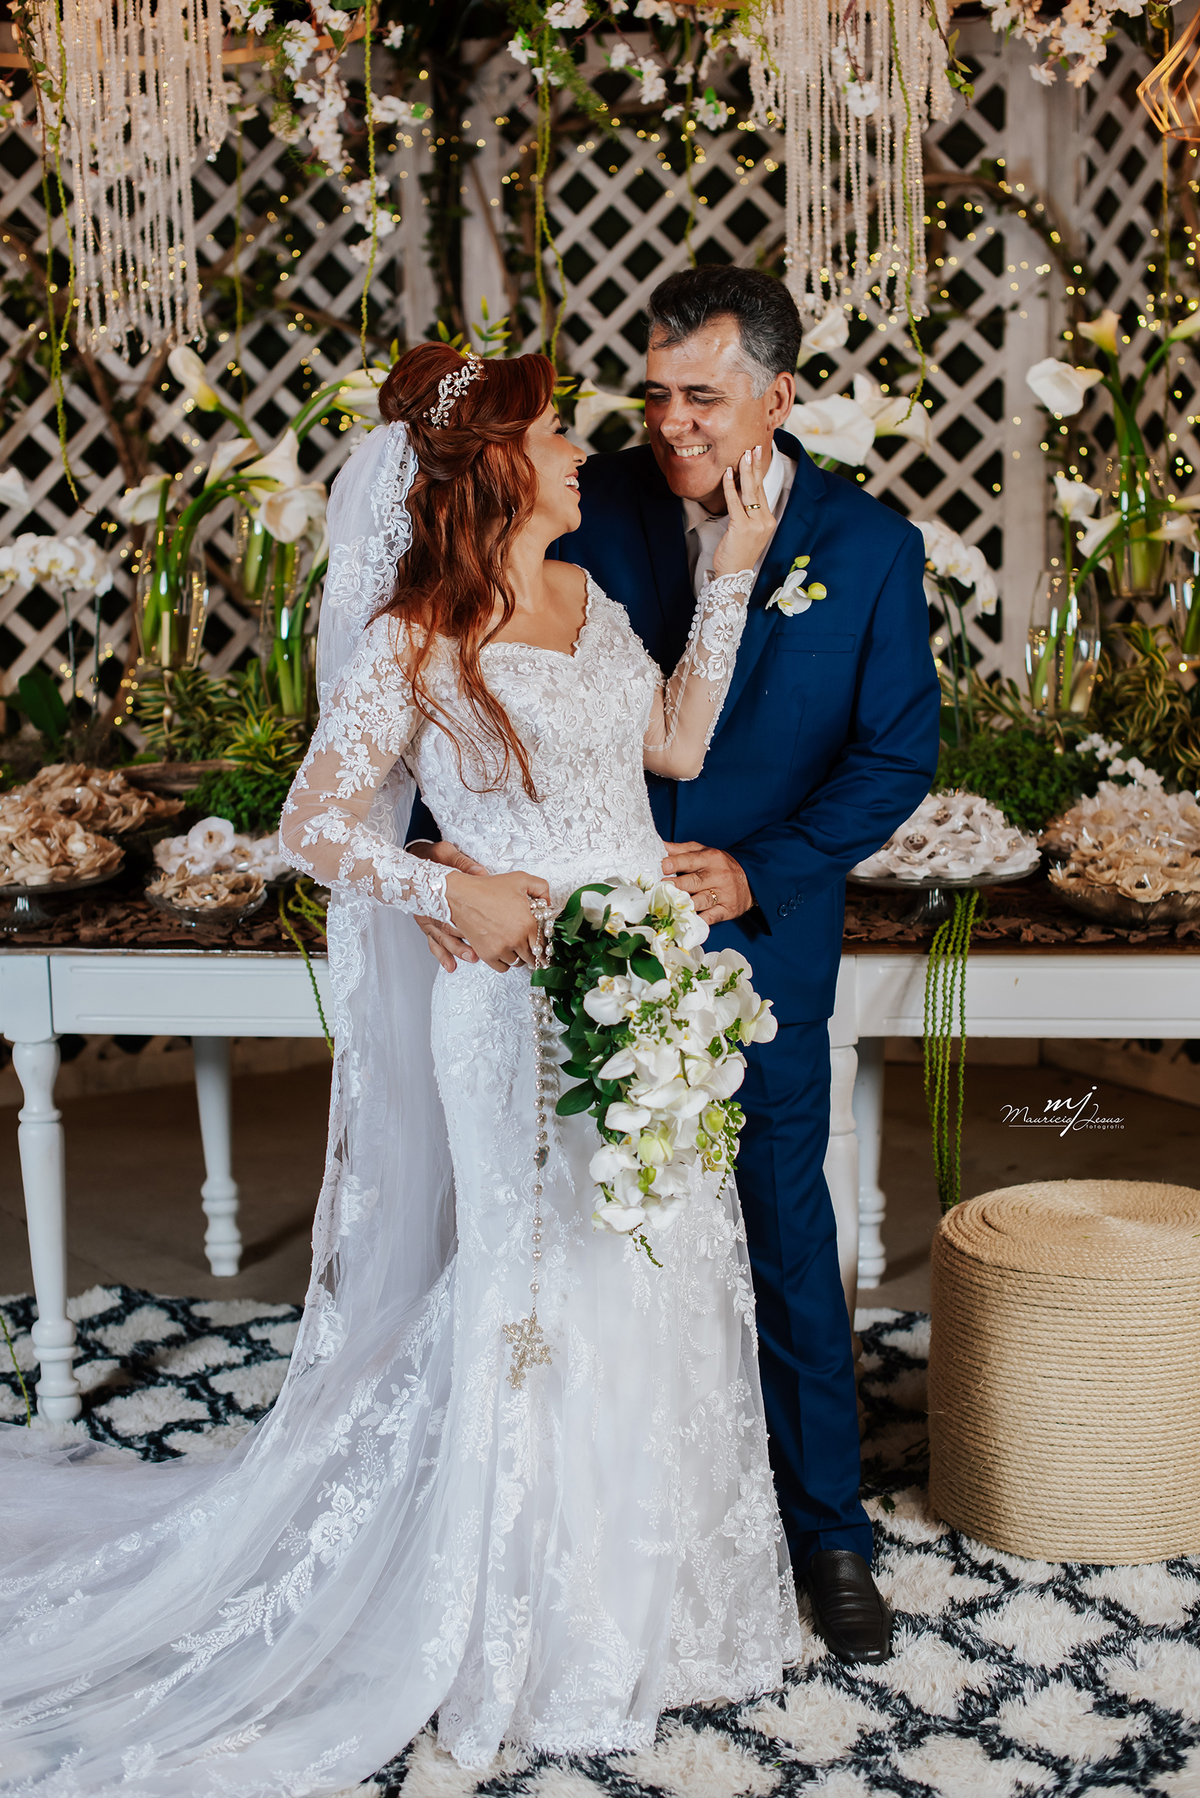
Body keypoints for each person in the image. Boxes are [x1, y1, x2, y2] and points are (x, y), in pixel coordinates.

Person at [0, 345, 800, 1794]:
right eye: (554, 436)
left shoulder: (593, 598)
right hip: (513, 1003)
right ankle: (529, 1632)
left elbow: (675, 743)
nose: (582, 453)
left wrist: (734, 566)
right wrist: (450, 891)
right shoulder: (419, 636)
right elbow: (314, 822)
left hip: (652, 988)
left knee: (659, 1269)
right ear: (494, 468)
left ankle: (661, 1618)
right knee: (538, 1286)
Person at [410, 268, 942, 1665]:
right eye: (654, 393)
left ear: (779, 395)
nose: (670, 422)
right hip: (562, 948)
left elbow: (896, 754)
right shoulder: (584, 503)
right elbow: (458, 659)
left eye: (702, 395)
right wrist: (435, 856)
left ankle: (827, 1531)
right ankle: (597, 1531)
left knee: (780, 1230)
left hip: (757, 950)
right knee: (592, 1246)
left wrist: (764, 867)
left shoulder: (868, 547)